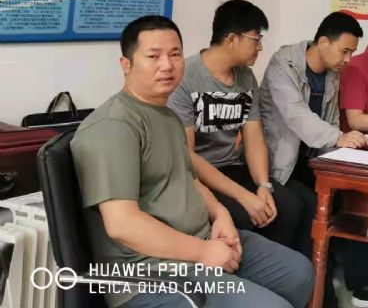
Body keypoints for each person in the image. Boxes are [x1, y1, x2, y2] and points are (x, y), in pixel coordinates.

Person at [71, 15, 313, 308]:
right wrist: (203, 252)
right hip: (150, 271)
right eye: (153, 56)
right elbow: (122, 224)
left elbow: (189, 178)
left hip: (201, 240)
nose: (167, 65)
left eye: (175, 54)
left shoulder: (168, 116)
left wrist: (220, 214)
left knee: (300, 273)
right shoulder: (114, 126)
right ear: (126, 64)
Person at [258, 11, 368, 308]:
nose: (348, 59)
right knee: (312, 207)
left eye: (352, 52)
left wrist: (338, 148)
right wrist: (339, 137)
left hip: (313, 160)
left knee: (354, 195)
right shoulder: (283, 64)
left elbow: (328, 120)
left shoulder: (332, 74)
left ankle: (364, 285)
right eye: (344, 51)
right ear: (323, 42)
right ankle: (320, 295)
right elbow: (296, 115)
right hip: (281, 164)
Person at [167, 0, 305, 253]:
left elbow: (254, 138)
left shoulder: (245, 77)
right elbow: (187, 155)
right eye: (256, 39)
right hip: (198, 177)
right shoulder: (186, 78)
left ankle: (280, 272)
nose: (260, 47)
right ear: (232, 39)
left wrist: (263, 186)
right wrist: (244, 196)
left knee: (290, 207)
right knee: (244, 216)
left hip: (233, 167)